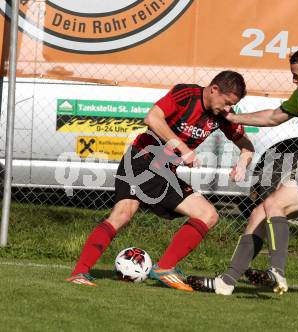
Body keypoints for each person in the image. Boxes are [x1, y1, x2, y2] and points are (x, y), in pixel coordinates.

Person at [187, 45, 298, 295]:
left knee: (273, 205)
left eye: (296, 76)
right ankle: (227, 282)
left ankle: (276, 272)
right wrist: (234, 119)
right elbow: (273, 117)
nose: (293, 80)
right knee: (259, 213)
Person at [66, 71, 254, 291]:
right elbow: (152, 118)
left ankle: (163, 267)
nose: (228, 109)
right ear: (214, 90)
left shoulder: (221, 114)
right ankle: (81, 272)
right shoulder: (186, 94)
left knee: (208, 214)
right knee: (123, 213)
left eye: (232, 105)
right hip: (141, 161)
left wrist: (242, 164)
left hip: (164, 172)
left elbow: (247, 146)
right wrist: (183, 149)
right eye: (227, 103)